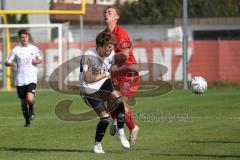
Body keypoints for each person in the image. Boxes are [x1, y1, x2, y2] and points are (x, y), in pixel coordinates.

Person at [79, 31, 130, 154]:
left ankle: (121, 132)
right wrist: (107, 73)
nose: (110, 51)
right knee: (105, 118)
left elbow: (114, 61)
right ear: (99, 46)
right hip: (89, 89)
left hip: (103, 83)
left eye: (111, 48)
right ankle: (97, 144)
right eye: (108, 48)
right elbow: (88, 79)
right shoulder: (88, 56)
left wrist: (113, 67)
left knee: (119, 100)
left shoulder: (110, 52)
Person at [104, 6, 140, 146]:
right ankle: (115, 119)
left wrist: (111, 60)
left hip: (128, 73)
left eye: (109, 12)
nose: (106, 14)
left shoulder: (121, 34)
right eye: (105, 12)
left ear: (116, 17)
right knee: (108, 99)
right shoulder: (104, 35)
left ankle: (133, 128)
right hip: (114, 73)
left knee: (118, 100)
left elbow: (124, 56)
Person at [5, 29, 43, 127]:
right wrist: (12, 63)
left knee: (30, 99)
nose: (24, 38)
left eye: (26, 36)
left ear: (28, 37)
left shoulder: (34, 49)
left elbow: (40, 60)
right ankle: (27, 121)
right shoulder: (16, 50)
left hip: (31, 79)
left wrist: (36, 61)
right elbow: (7, 62)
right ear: (20, 38)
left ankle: (31, 108)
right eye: (22, 37)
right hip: (20, 80)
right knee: (23, 101)